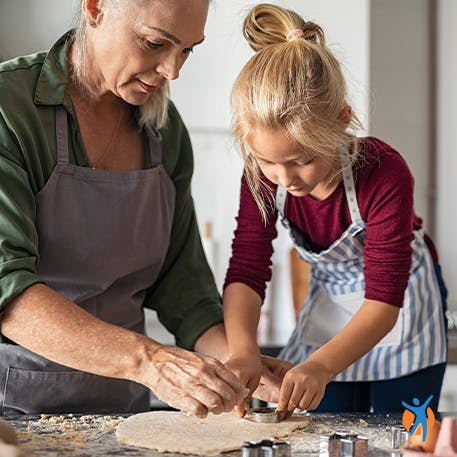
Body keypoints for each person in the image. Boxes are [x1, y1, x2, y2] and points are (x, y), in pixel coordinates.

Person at [0, 0, 247, 417]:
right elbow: (8, 291)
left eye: (187, 49)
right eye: (154, 43)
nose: (173, 71)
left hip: (120, 416)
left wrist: (236, 368)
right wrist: (149, 361)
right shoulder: (11, 109)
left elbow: (183, 289)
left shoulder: (165, 132)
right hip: (13, 416)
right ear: (95, 7)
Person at [223, 3, 447, 414]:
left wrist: (322, 365)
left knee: (403, 434)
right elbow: (246, 269)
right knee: (320, 426)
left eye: (302, 160)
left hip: (399, 308)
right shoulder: (261, 176)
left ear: (342, 120)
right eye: (269, 162)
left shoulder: (384, 173)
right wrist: (242, 351)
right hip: (332, 306)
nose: (285, 178)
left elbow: (382, 301)